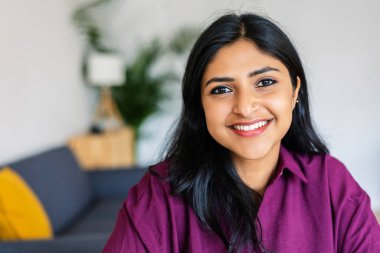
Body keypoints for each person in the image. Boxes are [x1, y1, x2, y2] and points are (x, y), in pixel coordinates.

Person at [102, 13, 380, 253]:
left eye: (266, 82)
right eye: (221, 89)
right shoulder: (157, 197)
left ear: (295, 91)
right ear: (200, 103)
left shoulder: (333, 184)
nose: (245, 107)